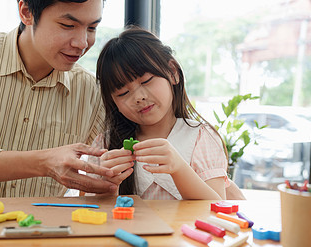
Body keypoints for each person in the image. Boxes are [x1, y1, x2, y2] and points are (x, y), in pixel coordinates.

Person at [0, 0, 119, 198]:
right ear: (26, 12)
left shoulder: (90, 91)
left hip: (41, 227)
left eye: (92, 28)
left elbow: (111, 160)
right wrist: (45, 162)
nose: (82, 43)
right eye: (68, 25)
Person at [91, 27, 245, 200]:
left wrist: (179, 168)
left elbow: (217, 208)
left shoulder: (201, 138)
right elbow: (90, 213)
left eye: (147, 81)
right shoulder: (105, 144)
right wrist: (108, 186)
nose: (139, 97)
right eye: (123, 93)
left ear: (172, 72)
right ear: (113, 102)